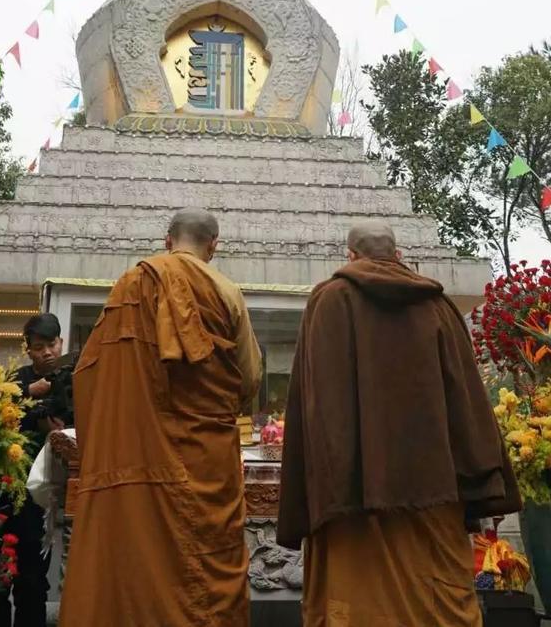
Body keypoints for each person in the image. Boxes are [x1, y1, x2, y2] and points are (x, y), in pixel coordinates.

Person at [277, 222, 521, 627]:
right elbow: (466, 398)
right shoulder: (438, 306)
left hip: (351, 496)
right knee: (440, 603)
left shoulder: (329, 301)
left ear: (350, 256)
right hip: (435, 487)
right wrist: (481, 475)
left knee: (357, 605)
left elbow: (315, 402)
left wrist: (320, 478)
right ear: (400, 256)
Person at [59, 209, 262, 627]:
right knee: (204, 569)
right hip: (207, 459)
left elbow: (91, 372)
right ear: (214, 246)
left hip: (140, 456)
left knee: (138, 560)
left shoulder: (129, 285)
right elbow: (250, 376)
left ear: (167, 240)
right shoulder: (225, 290)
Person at [0, 314, 66, 627]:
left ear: (61, 343)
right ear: (28, 350)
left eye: (52, 344)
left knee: (34, 578)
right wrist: (26, 394)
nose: (47, 352)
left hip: (44, 496)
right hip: (6, 489)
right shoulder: (14, 381)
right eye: (39, 346)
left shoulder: (73, 379)